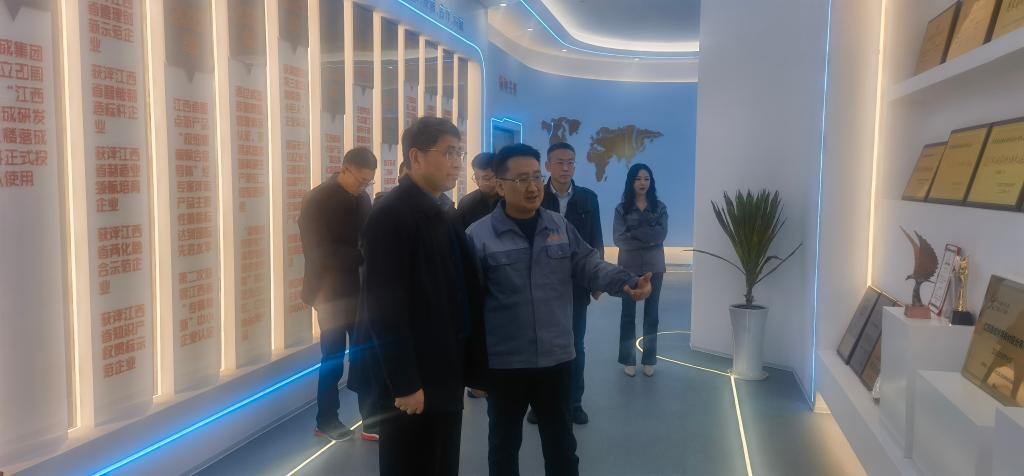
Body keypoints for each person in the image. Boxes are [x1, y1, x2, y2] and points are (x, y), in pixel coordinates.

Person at [467, 143, 652, 476]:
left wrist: (626, 281)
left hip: (556, 359)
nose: (533, 186)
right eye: (521, 179)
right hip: (506, 364)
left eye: (536, 177)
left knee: (562, 449)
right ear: (500, 186)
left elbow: (589, 264)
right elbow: (467, 305)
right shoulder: (478, 237)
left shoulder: (558, 226)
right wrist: (473, 368)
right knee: (503, 449)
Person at [361, 117, 488, 476]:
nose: (456, 162)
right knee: (411, 463)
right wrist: (405, 383)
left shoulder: (442, 210)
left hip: (445, 369)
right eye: (448, 153)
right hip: (414, 382)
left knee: (441, 460)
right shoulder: (391, 215)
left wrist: (474, 367)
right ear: (415, 157)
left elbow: (460, 290)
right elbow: (385, 309)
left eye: (459, 153)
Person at [298, 147, 377, 441]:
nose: (363, 186)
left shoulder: (363, 198)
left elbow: (369, 236)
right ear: (344, 169)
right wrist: (362, 256)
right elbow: (318, 253)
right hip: (329, 292)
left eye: (368, 182)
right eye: (360, 180)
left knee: (365, 354)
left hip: (359, 290)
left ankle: (371, 419)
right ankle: (326, 420)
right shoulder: (316, 200)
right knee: (332, 358)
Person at [536, 142, 602, 425]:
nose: (566, 168)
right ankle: (540, 404)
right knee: (542, 346)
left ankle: (574, 402)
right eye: (560, 162)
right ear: (548, 165)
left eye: (571, 162)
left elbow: (596, 240)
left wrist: (597, 280)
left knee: (575, 344)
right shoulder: (537, 197)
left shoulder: (588, 198)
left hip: (576, 284)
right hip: (542, 285)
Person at [613, 163, 668, 377]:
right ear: (631, 182)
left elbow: (661, 235)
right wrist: (648, 237)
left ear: (651, 182)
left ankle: (649, 359)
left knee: (651, 315)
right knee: (628, 314)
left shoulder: (659, 208)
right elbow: (619, 239)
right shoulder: (621, 209)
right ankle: (628, 359)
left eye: (646, 178)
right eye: (638, 178)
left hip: (655, 267)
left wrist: (634, 233)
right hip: (628, 267)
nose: (642, 182)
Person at [457, 152, 500, 230]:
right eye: (477, 178)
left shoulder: (510, 201)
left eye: (486, 178)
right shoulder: (466, 203)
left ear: (498, 175)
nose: (480, 183)